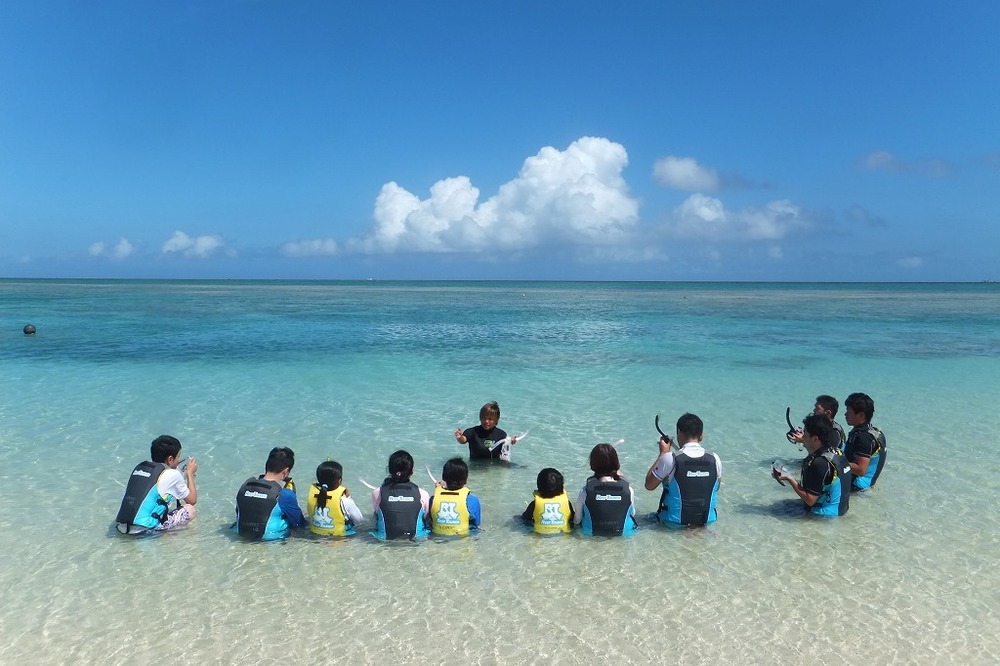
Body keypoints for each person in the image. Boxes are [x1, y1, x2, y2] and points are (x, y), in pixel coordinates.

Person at [644, 413, 722, 528]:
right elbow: (716, 487)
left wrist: (662, 453)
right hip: (706, 522)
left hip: (673, 524)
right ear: (701, 436)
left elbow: (649, 485)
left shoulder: (670, 458)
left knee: (643, 521)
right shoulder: (715, 459)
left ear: (679, 433)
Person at [116, 435, 198, 534]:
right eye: (178, 456)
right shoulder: (173, 474)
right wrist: (189, 473)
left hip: (121, 527)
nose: (179, 459)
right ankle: (173, 536)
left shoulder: (140, 468)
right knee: (190, 510)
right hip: (144, 530)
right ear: (170, 459)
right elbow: (192, 500)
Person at [773, 413, 851, 517]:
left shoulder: (819, 463)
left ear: (815, 439)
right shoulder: (837, 452)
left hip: (822, 517)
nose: (802, 436)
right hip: (839, 511)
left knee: (772, 512)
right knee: (783, 504)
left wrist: (789, 478)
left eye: (805, 433)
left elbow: (810, 500)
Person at [235, 447, 307, 541]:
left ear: (267, 465)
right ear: (285, 472)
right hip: (270, 539)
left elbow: (238, 512)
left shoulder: (245, 486)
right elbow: (298, 522)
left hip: (241, 533)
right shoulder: (284, 494)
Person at [574, 443, 638, 536]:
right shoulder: (628, 490)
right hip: (624, 533)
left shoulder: (585, 491)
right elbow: (632, 513)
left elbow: (577, 520)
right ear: (617, 463)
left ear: (593, 464)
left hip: (591, 534)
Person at [371, 450, 430, 540]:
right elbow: (425, 516)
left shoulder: (377, 492)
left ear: (389, 470)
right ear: (412, 470)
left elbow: (377, 513)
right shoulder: (422, 493)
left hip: (384, 540)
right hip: (416, 540)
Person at [843, 392, 887, 491]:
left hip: (857, 487)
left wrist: (837, 462)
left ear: (861, 415)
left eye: (849, 411)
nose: (845, 414)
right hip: (866, 485)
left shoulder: (864, 438)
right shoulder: (873, 431)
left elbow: (861, 470)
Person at [308, 460, 363, 537]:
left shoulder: (312, 493)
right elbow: (359, 520)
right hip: (340, 537)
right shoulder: (344, 500)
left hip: (315, 533)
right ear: (340, 481)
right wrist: (349, 498)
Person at [428, 458, 482, 536]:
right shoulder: (473, 500)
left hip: (438, 540)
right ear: (466, 479)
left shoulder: (433, 499)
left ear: (443, 478)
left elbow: (430, 520)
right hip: (464, 540)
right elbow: (477, 523)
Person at [454, 401, 519, 461]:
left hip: (496, 467)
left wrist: (511, 441)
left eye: (490, 419)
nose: (486, 421)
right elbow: (463, 440)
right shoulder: (473, 431)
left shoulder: (502, 434)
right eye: (484, 418)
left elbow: (506, 448)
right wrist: (459, 437)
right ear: (480, 417)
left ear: (496, 420)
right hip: (476, 466)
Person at [519, 467, 574, 534]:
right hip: (562, 533)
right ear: (561, 486)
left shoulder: (534, 504)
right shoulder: (567, 503)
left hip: (541, 533)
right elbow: (573, 518)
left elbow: (525, 519)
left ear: (539, 486)